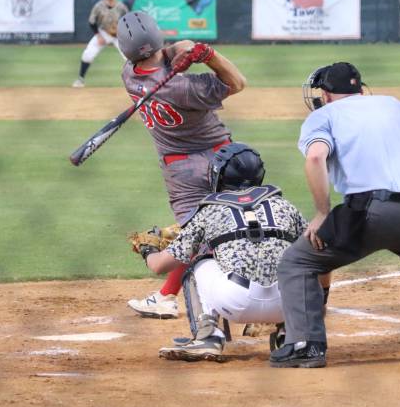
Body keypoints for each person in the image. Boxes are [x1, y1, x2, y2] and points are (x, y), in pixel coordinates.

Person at [270, 62, 400, 369]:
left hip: (368, 215)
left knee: (298, 262)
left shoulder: (323, 116)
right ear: (360, 89)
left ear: (325, 94)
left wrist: (323, 212)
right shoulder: (395, 106)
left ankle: (306, 345)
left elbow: (315, 157)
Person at [132, 143, 330, 361]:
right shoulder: (284, 205)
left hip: (236, 303)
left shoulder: (209, 211)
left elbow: (159, 265)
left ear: (219, 176)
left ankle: (208, 336)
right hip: (289, 303)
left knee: (197, 262)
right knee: (295, 258)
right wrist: (320, 301)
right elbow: (319, 250)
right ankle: (289, 333)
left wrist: (147, 250)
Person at [117, 11, 247, 319]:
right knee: (237, 227)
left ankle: (173, 301)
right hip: (225, 159)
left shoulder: (128, 75)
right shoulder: (188, 87)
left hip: (181, 170)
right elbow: (238, 82)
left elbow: (162, 54)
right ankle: (251, 294)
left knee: (196, 235)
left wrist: (182, 51)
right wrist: (208, 55)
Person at [72, 0, 129, 88]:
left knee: (129, 57)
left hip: (119, 35)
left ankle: (138, 82)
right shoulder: (98, 6)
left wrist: (122, 33)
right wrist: (98, 35)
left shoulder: (122, 7)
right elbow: (92, 22)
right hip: (103, 33)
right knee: (87, 54)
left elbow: (128, 22)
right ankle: (80, 79)